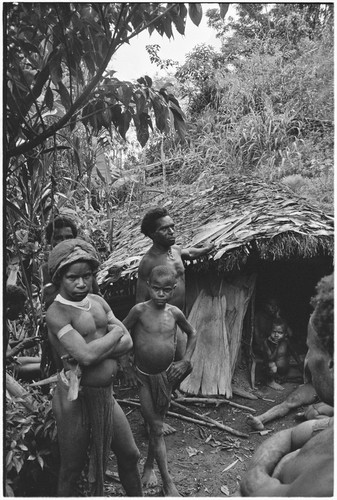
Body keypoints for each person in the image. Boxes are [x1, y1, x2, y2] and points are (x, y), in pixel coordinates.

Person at [45, 238, 142, 496]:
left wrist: (95, 348)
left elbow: (129, 341)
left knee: (130, 455)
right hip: (75, 398)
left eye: (86, 276)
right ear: (58, 278)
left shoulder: (98, 301)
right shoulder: (57, 313)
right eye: (72, 277)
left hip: (105, 395)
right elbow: (86, 357)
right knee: (71, 468)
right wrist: (113, 337)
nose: (81, 283)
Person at [240, 273, 334, 496]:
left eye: (311, 348)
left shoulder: (325, 483)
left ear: (331, 363)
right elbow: (290, 436)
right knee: (294, 405)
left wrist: (259, 470)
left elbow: (260, 492)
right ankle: (262, 419)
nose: (307, 358)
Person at [121, 207, 213, 406]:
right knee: (162, 362)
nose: (172, 231)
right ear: (153, 235)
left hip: (177, 317)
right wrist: (137, 341)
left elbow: (189, 252)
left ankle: (166, 391)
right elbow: (140, 300)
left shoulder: (176, 250)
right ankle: (157, 400)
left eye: (172, 227)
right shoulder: (148, 262)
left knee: (184, 363)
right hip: (159, 320)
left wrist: (206, 249)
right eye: (165, 229)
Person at [123, 265, 197, 496]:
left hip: (166, 377)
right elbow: (121, 332)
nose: (161, 294)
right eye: (156, 289)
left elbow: (192, 333)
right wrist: (125, 363)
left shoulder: (175, 313)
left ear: (174, 289)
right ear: (148, 286)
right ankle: (168, 481)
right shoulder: (139, 310)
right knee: (155, 427)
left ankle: (148, 466)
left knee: (157, 425)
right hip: (143, 377)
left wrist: (185, 361)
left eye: (167, 290)